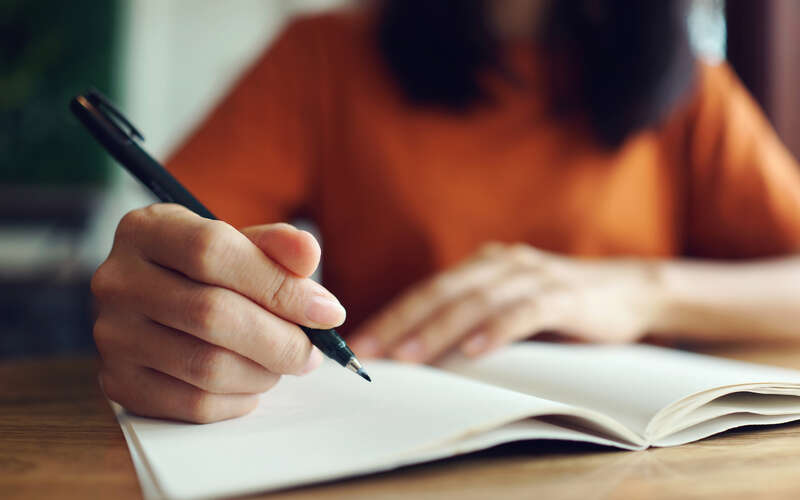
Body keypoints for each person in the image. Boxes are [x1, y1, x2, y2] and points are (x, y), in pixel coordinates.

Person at [91, 0, 800, 423]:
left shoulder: (695, 93)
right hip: (375, 451)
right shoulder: (321, 58)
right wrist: (176, 300)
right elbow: (188, 242)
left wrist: (644, 290)